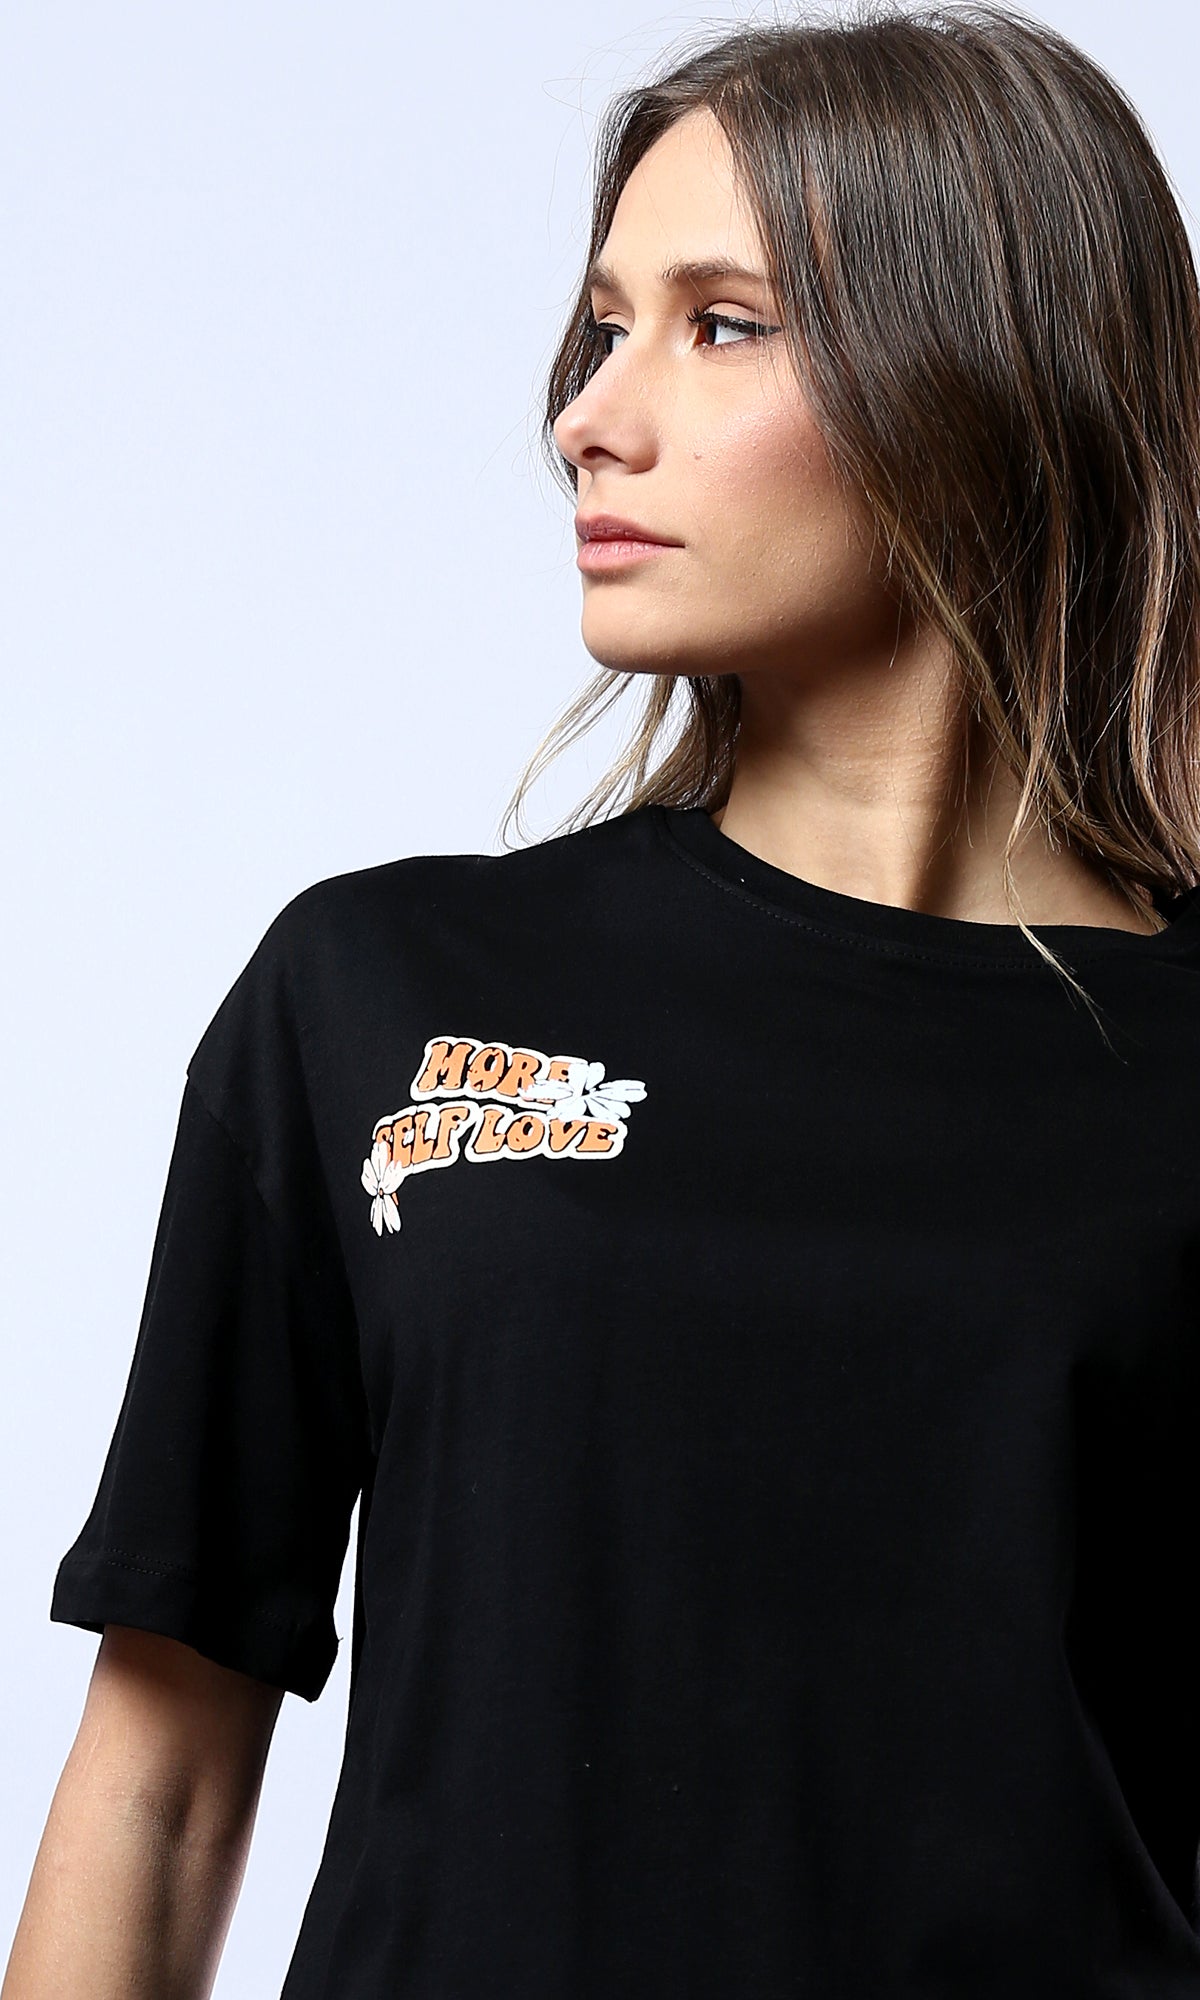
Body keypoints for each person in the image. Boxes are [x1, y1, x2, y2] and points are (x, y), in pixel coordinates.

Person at [8, 2, 1200, 1993]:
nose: (589, 416)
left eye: (723, 325)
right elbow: (163, 1785)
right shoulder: (379, 991)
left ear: (987, 376)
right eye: (602, 327)